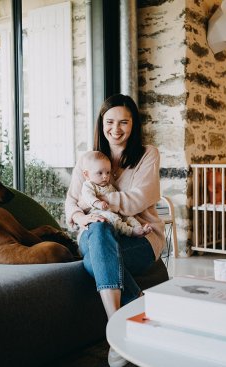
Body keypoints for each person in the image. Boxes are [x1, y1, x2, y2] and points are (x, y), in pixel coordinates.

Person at [65, 94, 165, 367]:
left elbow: (138, 199)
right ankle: (118, 328)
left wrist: (97, 204)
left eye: (124, 122)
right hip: (93, 232)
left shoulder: (147, 154)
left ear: (134, 125)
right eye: (110, 121)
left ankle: (118, 331)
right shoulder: (88, 160)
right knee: (98, 231)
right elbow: (70, 204)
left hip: (141, 237)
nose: (116, 129)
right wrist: (82, 217)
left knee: (93, 259)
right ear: (101, 123)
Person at [81, 150, 151, 237]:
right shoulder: (89, 185)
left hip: (116, 212)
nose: (105, 176)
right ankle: (131, 232)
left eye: (108, 172)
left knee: (129, 217)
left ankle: (139, 229)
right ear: (86, 174)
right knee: (113, 219)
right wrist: (97, 203)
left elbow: (116, 197)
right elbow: (88, 197)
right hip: (100, 213)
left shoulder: (109, 186)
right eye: (100, 173)